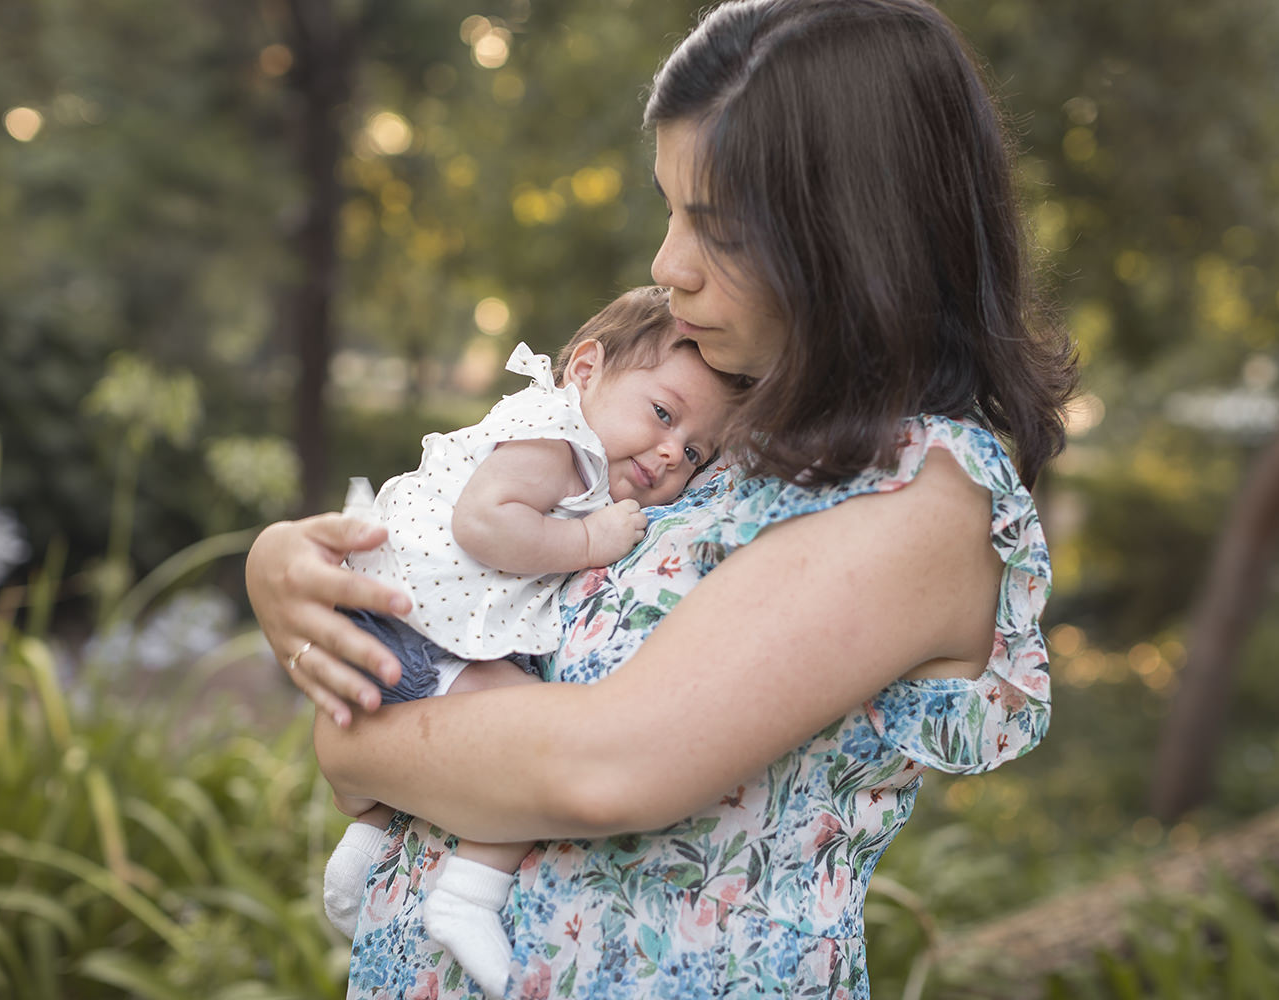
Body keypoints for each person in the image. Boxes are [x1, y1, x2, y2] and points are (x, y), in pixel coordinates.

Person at [245, 0, 1077, 996]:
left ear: (853, 240)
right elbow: (472, 567)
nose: (667, 265)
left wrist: (358, 743)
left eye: (717, 231)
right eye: (671, 209)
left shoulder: (926, 501)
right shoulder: (719, 433)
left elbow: (604, 766)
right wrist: (283, 571)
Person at [318, 286, 743, 995]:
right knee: (532, 737)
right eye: (663, 413)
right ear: (584, 372)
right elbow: (484, 524)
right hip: (410, 626)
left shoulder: (583, 452)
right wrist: (587, 538)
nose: (673, 451)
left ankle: (362, 849)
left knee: (488, 733)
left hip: (418, 630)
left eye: (696, 452)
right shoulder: (558, 439)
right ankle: (468, 896)